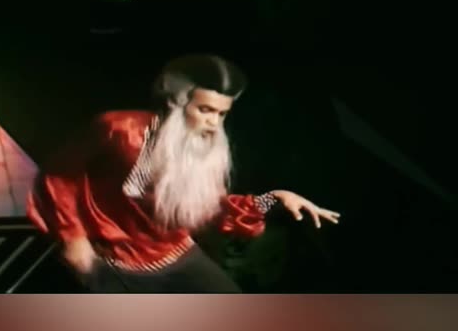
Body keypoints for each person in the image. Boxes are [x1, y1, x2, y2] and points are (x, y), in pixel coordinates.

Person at [27, 54, 340, 292]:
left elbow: (220, 211)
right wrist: (73, 238)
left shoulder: (204, 156)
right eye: (205, 110)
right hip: (117, 257)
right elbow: (58, 177)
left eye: (222, 114)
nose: (213, 124)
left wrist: (274, 198)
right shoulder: (119, 129)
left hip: (176, 253)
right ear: (177, 102)